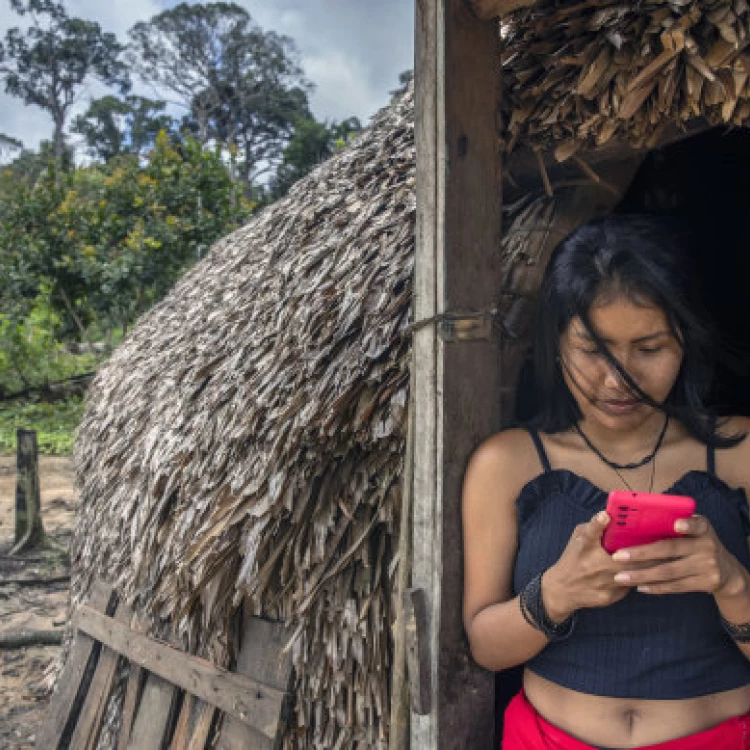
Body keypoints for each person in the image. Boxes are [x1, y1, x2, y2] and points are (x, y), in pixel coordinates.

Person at [462, 215, 750, 749]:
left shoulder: (739, 454)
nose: (618, 380)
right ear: (555, 345)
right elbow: (484, 646)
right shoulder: (506, 464)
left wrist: (733, 585)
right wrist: (553, 595)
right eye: (593, 350)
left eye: (649, 349)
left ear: (685, 342)